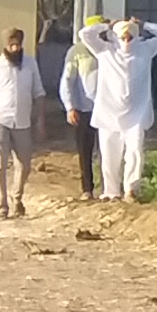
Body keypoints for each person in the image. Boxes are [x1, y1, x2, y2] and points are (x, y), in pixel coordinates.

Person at [83, 12, 157, 202]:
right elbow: (84, 35)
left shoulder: (145, 50)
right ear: (115, 37)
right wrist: (107, 25)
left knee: (134, 152)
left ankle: (131, 190)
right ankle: (111, 191)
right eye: (123, 37)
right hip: (109, 112)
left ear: (136, 37)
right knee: (109, 154)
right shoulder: (105, 51)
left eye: (130, 37)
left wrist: (145, 24)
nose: (126, 41)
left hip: (136, 113)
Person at [0, 27, 46, 218]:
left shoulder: (30, 64)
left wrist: (40, 120)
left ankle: (17, 198)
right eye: (11, 45)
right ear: (5, 45)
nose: (14, 48)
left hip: (23, 121)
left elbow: (38, 92)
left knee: (24, 164)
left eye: (17, 45)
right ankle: (1, 206)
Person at [58, 17, 104, 200]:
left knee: (107, 151)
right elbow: (67, 81)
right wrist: (70, 107)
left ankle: (108, 187)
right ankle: (88, 188)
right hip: (84, 109)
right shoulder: (76, 51)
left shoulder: (109, 48)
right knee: (85, 151)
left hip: (106, 109)